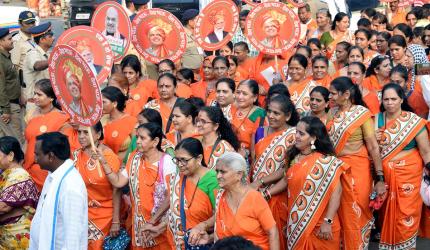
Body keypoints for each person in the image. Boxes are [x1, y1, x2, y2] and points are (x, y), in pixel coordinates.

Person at [327, 76, 386, 250]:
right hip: (336, 170)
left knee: (357, 213)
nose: (329, 97)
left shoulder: (361, 113)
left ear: (345, 94)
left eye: (332, 93)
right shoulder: (331, 113)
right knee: (337, 214)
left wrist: (380, 178)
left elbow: (373, 147)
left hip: (357, 172)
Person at [98, 122, 176, 249]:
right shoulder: (134, 158)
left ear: (155, 141)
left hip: (159, 227)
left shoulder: (167, 162)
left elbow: (170, 197)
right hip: (139, 226)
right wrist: (103, 162)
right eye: (137, 137)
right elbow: (118, 181)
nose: (138, 141)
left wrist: (152, 221)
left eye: (142, 138)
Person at [375, 83, 430, 249]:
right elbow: (371, 152)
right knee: (386, 218)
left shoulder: (413, 122)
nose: (390, 103)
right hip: (385, 179)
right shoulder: (375, 120)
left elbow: (426, 151)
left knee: (407, 218)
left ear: (401, 100)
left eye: (394, 99)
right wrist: (373, 139)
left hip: (409, 179)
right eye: (386, 99)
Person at [280, 116, 346, 249]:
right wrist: (265, 192)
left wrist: (328, 221)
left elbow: (336, 193)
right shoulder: (293, 157)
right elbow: (286, 181)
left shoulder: (326, 162)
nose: (296, 136)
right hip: (297, 222)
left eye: (301, 133)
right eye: (296, 132)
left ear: (313, 138)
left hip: (323, 225)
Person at [250, 94, 298, 250]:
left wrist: (261, 184)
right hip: (256, 193)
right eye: (269, 111)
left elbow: (288, 170)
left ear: (288, 115)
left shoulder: (294, 135)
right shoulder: (259, 132)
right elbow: (254, 162)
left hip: (279, 192)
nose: (271, 116)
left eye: (276, 113)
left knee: (277, 236)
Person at [29, 132, 88, 250]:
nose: (35, 159)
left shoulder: (71, 185)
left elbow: (73, 236)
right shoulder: (53, 176)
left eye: (37, 155)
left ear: (51, 156)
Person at [214, 152, 280, 250]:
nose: (218, 176)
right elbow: (219, 235)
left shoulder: (254, 198)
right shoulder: (220, 197)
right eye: (217, 171)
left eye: (223, 172)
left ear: (239, 175)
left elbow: (272, 232)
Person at [74, 123, 121, 250]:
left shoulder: (108, 156)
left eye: (86, 132)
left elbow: (117, 189)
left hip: (105, 215)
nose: (81, 136)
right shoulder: (76, 155)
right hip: (82, 214)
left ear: (98, 135)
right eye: (79, 132)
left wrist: (116, 221)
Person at [167, 138, 219, 249]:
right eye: (177, 160)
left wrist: (202, 226)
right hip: (179, 241)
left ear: (199, 158)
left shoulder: (212, 179)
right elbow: (172, 207)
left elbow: (221, 213)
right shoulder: (178, 177)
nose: (179, 164)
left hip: (202, 241)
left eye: (184, 160)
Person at [24, 79, 70, 191]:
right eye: (34, 93)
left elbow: (60, 150)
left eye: (39, 94)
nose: (35, 97)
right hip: (28, 168)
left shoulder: (61, 118)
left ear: (51, 98)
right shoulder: (31, 114)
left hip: (46, 171)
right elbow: (27, 140)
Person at [0, 136, 38, 249]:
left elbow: (3, 207)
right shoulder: (7, 173)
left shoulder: (19, 175)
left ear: (11, 155)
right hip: (7, 238)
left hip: (18, 238)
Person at [23, 22, 54, 111]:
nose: (53, 38)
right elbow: (37, 65)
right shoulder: (32, 53)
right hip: (35, 105)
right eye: (50, 36)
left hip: (46, 104)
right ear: (42, 39)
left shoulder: (47, 54)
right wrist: (54, 60)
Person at [230, 80, 266, 158]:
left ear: (255, 97)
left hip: (247, 157)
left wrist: (246, 152)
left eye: (244, 94)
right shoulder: (231, 108)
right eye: (238, 92)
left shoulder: (259, 113)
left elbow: (259, 144)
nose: (240, 97)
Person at [0, 28, 24, 144]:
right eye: (9, 39)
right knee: (16, 141)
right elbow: (1, 86)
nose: (12, 41)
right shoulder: (1, 60)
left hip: (12, 103)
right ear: (1, 42)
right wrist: (6, 110)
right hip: (8, 106)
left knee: (5, 142)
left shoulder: (6, 57)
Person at [102, 86, 137, 162]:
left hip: (124, 166)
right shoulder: (102, 120)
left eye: (103, 102)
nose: (101, 105)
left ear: (114, 103)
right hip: (103, 164)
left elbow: (136, 149)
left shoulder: (132, 121)